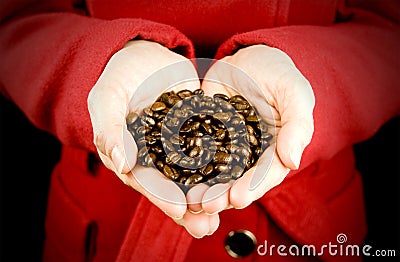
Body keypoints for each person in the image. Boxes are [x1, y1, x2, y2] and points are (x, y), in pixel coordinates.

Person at [0, 0, 399, 261]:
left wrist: (311, 81)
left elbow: (389, 32)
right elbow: (16, 20)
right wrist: (98, 66)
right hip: (104, 225)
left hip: (306, 230)